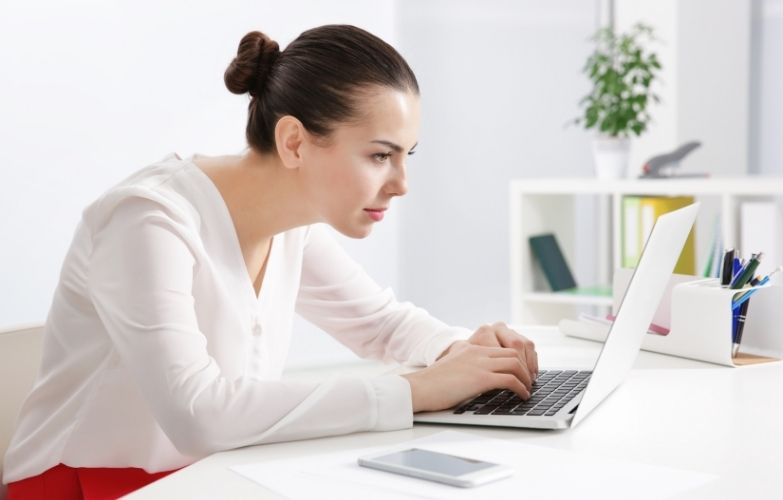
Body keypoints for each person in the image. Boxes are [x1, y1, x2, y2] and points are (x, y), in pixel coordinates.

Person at [3, 25, 537, 499]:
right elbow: (199, 415)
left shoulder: (291, 226)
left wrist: (462, 350)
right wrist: (415, 390)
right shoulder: (149, 221)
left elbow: (379, 323)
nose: (401, 185)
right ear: (294, 142)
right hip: (86, 487)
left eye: (405, 155)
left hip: (206, 477)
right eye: (380, 155)